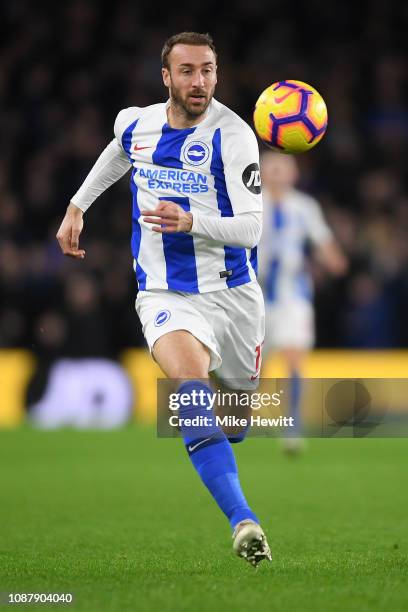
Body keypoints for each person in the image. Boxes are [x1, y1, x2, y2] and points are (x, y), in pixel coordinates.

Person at [56, 32, 271, 566]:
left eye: (208, 70)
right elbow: (119, 151)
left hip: (234, 296)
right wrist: (78, 204)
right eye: (188, 71)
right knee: (190, 392)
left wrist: (191, 220)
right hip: (165, 293)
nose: (200, 82)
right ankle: (243, 522)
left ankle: (230, 439)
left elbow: (251, 229)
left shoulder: (234, 136)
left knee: (238, 422)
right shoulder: (138, 122)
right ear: (167, 78)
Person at [258, 151, 347, 452]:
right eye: (271, 169)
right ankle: (238, 416)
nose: (277, 174)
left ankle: (292, 426)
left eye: (283, 169)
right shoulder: (251, 204)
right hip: (254, 297)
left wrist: (333, 259)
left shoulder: (304, 207)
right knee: (253, 369)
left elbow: (322, 241)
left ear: (293, 174)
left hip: (292, 295)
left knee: (294, 359)